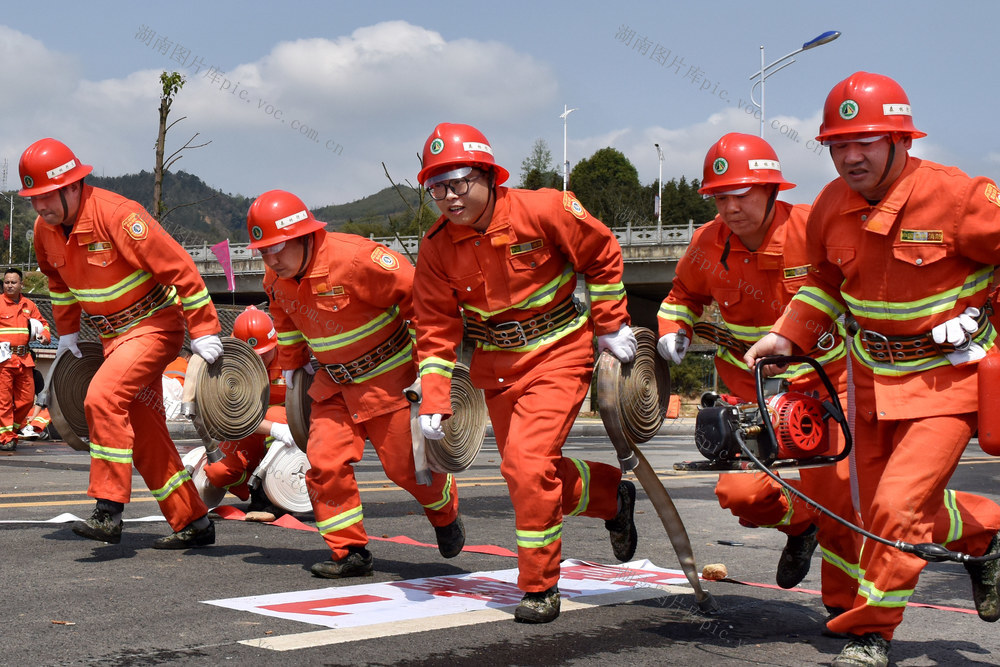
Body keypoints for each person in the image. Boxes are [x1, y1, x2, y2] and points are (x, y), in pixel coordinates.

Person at [744, 72, 1000, 667]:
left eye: (867, 141)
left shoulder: (961, 197)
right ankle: (983, 532)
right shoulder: (829, 205)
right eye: (839, 144)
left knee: (894, 510)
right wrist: (785, 334)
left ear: (901, 140)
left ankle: (871, 633)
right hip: (868, 381)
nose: (850, 156)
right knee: (869, 511)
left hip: (947, 381)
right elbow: (825, 287)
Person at [411, 123, 639, 624]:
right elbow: (434, 326)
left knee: (526, 463)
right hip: (495, 368)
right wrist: (433, 396)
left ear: (489, 176)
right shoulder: (435, 248)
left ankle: (539, 586)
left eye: (459, 182)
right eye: (437, 187)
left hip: (559, 352)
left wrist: (610, 324)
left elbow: (601, 255)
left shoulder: (544, 209)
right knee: (528, 472)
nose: (448, 197)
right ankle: (610, 496)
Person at [656, 133, 861, 624]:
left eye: (742, 194)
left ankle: (842, 604)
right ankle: (800, 525)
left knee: (837, 498)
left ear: (771, 190)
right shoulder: (708, 243)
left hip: (822, 385)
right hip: (747, 392)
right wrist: (673, 329)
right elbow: (682, 293)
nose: (730, 206)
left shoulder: (813, 228)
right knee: (742, 495)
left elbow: (860, 281)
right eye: (721, 196)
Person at [247, 188, 464, 578]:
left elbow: (425, 299)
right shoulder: (275, 278)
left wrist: (429, 367)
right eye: (263, 251)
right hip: (333, 385)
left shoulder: (357, 259)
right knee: (324, 463)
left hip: (390, 380)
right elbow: (286, 320)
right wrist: (293, 365)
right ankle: (349, 552)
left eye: (277, 248)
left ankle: (444, 512)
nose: (271, 259)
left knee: (407, 470)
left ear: (303, 236)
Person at [20, 137, 224, 549]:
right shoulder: (45, 231)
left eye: (46, 196)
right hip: (112, 338)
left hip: (153, 326)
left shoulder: (120, 216)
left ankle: (108, 511)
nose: (40, 207)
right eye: (33, 198)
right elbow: (58, 285)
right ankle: (193, 522)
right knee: (147, 437)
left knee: (102, 398)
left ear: (73, 185)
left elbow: (183, 271)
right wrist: (69, 332)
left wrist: (204, 330)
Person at [202, 305, 294, 519]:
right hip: (246, 431)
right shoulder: (228, 364)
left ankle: (275, 494)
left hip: (289, 439)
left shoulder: (292, 356)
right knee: (218, 471)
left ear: (275, 342)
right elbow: (228, 415)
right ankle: (253, 485)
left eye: (264, 353)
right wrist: (273, 428)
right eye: (252, 356)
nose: (259, 361)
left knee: (277, 415)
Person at [0, 267, 50, 451]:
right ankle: (5, 438)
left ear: (21, 284)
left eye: (14, 282)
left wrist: (45, 336)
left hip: (24, 359)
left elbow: (44, 324)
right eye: (7, 282)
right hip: (3, 361)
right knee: (3, 401)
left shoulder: (29, 305)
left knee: (27, 400)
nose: (10, 285)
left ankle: (10, 431)